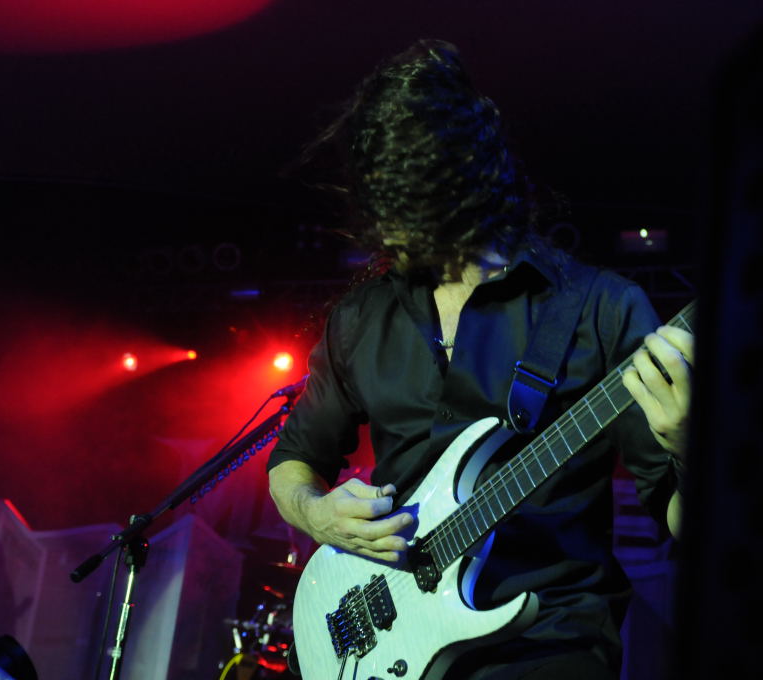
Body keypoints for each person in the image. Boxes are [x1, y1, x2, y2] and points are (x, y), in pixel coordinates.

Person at [267, 40, 690, 679]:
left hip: (545, 644)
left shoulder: (601, 309)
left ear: (468, 176)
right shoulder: (361, 317)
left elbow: (684, 521)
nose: (391, 229)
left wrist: (688, 444)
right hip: (386, 639)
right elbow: (293, 459)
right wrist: (318, 514)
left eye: (410, 200)